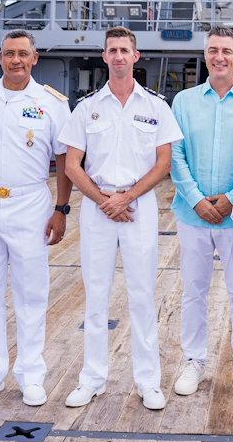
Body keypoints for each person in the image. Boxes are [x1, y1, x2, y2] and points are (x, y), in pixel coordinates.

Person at [62, 27, 182, 410]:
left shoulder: (156, 107)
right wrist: (103, 200)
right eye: (111, 50)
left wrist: (126, 197)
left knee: (142, 296)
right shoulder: (86, 108)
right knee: (95, 296)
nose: (118, 56)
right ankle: (92, 379)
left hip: (138, 205)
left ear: (136, 56)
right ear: (104, 56)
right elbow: (71, 165)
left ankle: (148, 382)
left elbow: (163, 163)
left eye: (124, 50)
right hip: (98, 208)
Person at [0, 29, 74, 407]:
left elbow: (63, 162)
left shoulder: (52, 103)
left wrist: (60, 209)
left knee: (31, 292)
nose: (16, 60)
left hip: (30, 202)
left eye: (23, 54)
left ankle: (30, 373)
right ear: (1, 58)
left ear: (34, 58)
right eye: (9, 53)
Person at [169, 24, 233, 399]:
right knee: (193, 291)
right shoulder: (184, 101)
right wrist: (195, 198)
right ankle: (193, 361)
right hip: (192, 214)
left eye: (226, 50)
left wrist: (230, 197)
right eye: (213, 50)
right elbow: (175, 154)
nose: (219, 57)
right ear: (205, 55)